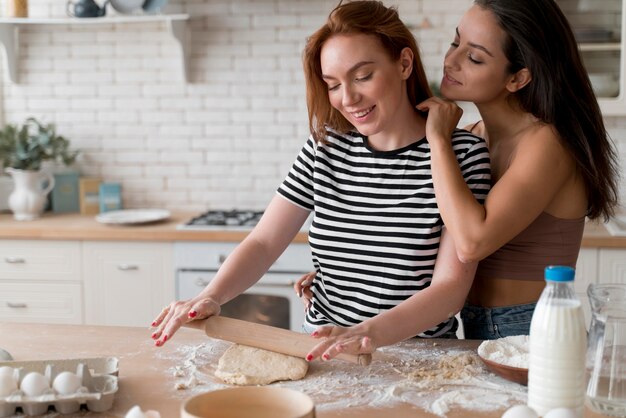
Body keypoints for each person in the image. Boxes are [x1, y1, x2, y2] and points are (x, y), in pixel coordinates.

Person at [150, 0, 491, 359]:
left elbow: (450, 289)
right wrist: (211, 295)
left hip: (417, 358)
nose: (348, 98)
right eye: (333, 84)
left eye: (362, 77)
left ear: (404, 63)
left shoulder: (462, 154)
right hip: (321, 351)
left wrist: (368, 333)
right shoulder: (325, 147)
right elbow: (265, 241)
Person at [299, 0, 620, 345]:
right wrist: (343, 275)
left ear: (518, 78)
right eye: (456, 43)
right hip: (480, 328)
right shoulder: (477, 136)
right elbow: (429, 243)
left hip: (534, 331)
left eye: (475, 57)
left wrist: (437, 139)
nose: (451, 60)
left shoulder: (546, 144)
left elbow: (471, 242)